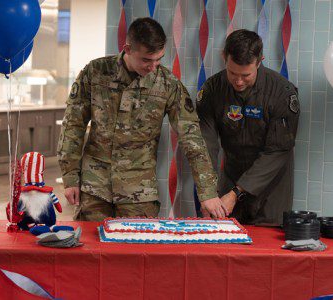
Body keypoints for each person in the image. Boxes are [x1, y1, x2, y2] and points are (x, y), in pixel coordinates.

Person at [58, 17, 225, 221]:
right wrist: (70, 176)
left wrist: (208, 192)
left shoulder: (168, 84)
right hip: (95, 188)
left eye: (159, 59)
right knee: (92, 249)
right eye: (146, 60)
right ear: (127, 49)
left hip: (139, 194)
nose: (153, 67)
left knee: (137, 251)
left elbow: (192, 138)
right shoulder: (95, 73)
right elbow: (73, 126)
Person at [196, 29, 300, 225]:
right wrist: (207, 190)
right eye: (232, 72)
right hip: (228, 184)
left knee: (265, 251)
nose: (238, 81)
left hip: (270, 190)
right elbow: (205, 144)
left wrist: (237, 192)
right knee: (225, 249)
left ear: (260, 61)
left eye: (246, 75)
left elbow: (277, 152)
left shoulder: (281, 93)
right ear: (223, 57)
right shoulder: (212, 90)